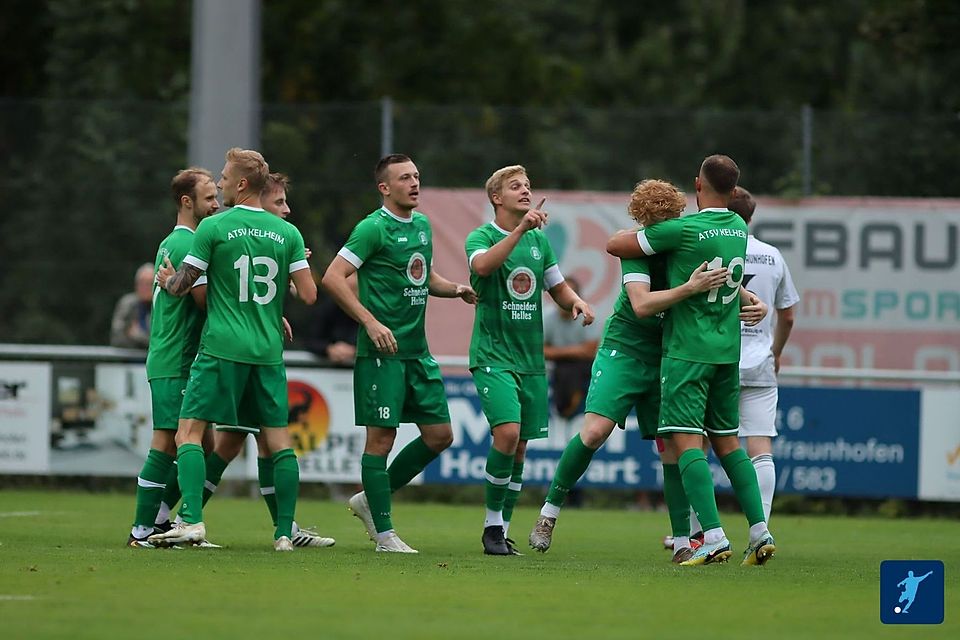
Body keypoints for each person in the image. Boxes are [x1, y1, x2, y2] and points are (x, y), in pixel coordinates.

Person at [529, 179, 752, 562]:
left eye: (671, 215)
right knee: (595, 432)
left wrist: (751, 298)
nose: (666, 222)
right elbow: (642, 306)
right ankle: (549, 512)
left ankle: (683, 542)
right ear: (646, 221)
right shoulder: (637, 249)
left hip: (669, 356)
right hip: (625, 350)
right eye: (658, 218)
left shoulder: (686, 243)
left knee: (673, 449)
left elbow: (721, 280)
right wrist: (690, 288)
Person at [606, 155, 774, 566]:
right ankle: (760, 530)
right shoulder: (738, 226)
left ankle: (713, 536)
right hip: (725, 351)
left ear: (697, 184)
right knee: (729, 443)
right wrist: (752, 299)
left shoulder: (682, 229)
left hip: (687, 351)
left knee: (685, 443)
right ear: (735, 192)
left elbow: (615, 244)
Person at [149, 148, 318, 552]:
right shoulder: (288, 234)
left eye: (224, 177)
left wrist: (167, 279)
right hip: (268, 352)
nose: (220, 183)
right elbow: (309, 295)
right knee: (279, 441)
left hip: (222, 347)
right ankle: (283, 534)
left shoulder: (216, 227)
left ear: (242, 184)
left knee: (189, 431)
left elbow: (184, 286)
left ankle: (191, 521)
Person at [321, 153, 476, 553]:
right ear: (384, 188)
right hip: (381, 353)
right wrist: (370, 322)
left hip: (417, 352)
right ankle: (384, 534)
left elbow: (422, 275)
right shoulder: (372, 228)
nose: (414, 183)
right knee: (381, 439)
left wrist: (454, 288)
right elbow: (333, 278)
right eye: (405, 177)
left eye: (417, 176)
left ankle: (371, 497)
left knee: (440, 435)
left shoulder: (422, 225)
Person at [466, 165, 594, 555]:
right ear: (496, 198)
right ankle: (490, 528)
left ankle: (502, 530)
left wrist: (577, 303)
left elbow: (557, 287)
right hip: (493, 355)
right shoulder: (482, 236)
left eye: (527, 186)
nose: (525, 191)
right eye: (515, 186)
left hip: (531, 362)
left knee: (519, 447)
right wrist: (521, 230)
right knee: (505, 434)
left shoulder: (540, 243)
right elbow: (483, 267)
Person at [127, 168, 219, 547]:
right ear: (187, 201)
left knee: (203, 445)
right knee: (167, 441)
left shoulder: (179, 241)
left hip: (180, 359)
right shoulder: (186, 245)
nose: (216, 204)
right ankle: (141, 529)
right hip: (175, 360)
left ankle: (162, 519)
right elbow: (203, 300)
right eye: (210, 197)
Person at [728, 186, 798, 526]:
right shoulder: (772, 255)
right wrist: (776, 352)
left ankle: (696, 533)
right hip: (760, 361)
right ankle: (762, 530)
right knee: (760, 448)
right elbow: (788, 315)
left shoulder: (711, 249)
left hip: (718, 358)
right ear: (751, 217)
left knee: (700, 445)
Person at [543, 277, 601, 419]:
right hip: (558, 366)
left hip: (584, 367)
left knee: (573, 370)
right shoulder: (547, 316)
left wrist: (556, 351)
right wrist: (577, 350)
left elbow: (590, 351)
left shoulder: (589, 314)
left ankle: (571, 406)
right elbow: (540, 351)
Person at [110, 263, 155, 348]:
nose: (145, 287)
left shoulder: (160, 306)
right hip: (129, 358)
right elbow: (117, 339)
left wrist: (138, 336)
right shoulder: (127, 304)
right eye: (141, 283)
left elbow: (162, 342)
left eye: (149, 283)